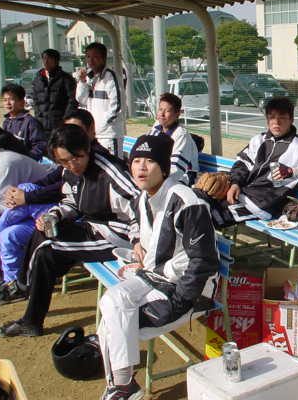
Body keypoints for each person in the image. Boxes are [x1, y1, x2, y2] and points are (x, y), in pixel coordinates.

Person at [97, 135, 219, 399]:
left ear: (164, 168)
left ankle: (121, 387)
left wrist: (182, 300)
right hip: (154, 278)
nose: (141, 167)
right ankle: (123, 386)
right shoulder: (144, 197)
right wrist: (136, 242)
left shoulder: (186, 201)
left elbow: (204, 260)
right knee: (111, 302)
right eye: (136, 160)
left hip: (189, 290)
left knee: (111, 323)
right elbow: (137, 224)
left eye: (150, 161)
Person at [0, 124, 139, 338]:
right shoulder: (69, 171)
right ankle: (27, 302)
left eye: (76, 158)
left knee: (46, 249)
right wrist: (54, 215)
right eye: (63, 161)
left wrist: (137, 241)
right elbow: (72, 202)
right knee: (44, 239)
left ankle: (25, 298)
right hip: (92, 226)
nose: (71, 165)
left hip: (117, 236)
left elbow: (140, 206)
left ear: (87, 149)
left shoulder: (109, 172)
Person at [0, 110, 107, 307]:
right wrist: (23, 193)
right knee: (10, 235)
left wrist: (27, 196)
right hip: (53, 212)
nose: (70, 136)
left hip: (72, 218)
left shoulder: (91, 158)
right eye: (66, 130)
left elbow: (59, 191)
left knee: (28, 191)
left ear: (90, 131)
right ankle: (12, 284)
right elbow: (50, 180)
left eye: (77, 131)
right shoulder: (67, 158)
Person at [196, 97, 298, 227]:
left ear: (291, 119)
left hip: (261, 206)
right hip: (239, 193)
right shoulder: (258, 140)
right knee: (197, 199)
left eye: (282, 118)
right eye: (272, 117)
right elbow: (242, 163)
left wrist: (293, 172)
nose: (276, 122)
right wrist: (235, 183)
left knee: (208, 217)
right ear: (267, 119)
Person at [0, 127, 48, 286]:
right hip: (22, 210)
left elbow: (1, 205)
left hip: (43, 210)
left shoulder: (6, 163)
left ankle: (1, 275)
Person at [76, 42, 124, 156]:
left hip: (108, 135)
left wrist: (100, 125)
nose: (91, 61)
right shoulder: (89, 77)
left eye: (95, 57)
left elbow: (117, 107)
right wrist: (82, 82)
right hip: (92, 135)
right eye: (88, 57)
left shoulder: (110, 77)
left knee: (112, 164)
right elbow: (81, 100)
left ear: (103, 58)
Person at [148, 93, 199, 184]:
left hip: (183, 179)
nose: (162, 114)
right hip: (159, 175)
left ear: (177, 114)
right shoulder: (156, 127)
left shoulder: (181, 135)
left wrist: (152, 179)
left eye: (167, 111)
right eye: (160, 109)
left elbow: (176, 170)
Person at [32, 48, 78, 131]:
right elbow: (35, 100)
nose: (46, 62)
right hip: (41, 124)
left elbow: (72, 100)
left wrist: (65, 119)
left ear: (57, 61)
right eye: (44, 59)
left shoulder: (66, 79)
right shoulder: (38, 79)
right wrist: (38, 115)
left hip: (60, 124)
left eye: (50, 59)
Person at [1, 83, 46, 161]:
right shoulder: (6, 122)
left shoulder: (30, 122)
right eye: (5, 100)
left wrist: (27, 159)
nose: (7, 103)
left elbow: (40, 145)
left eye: (11, 99)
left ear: (22, 102)